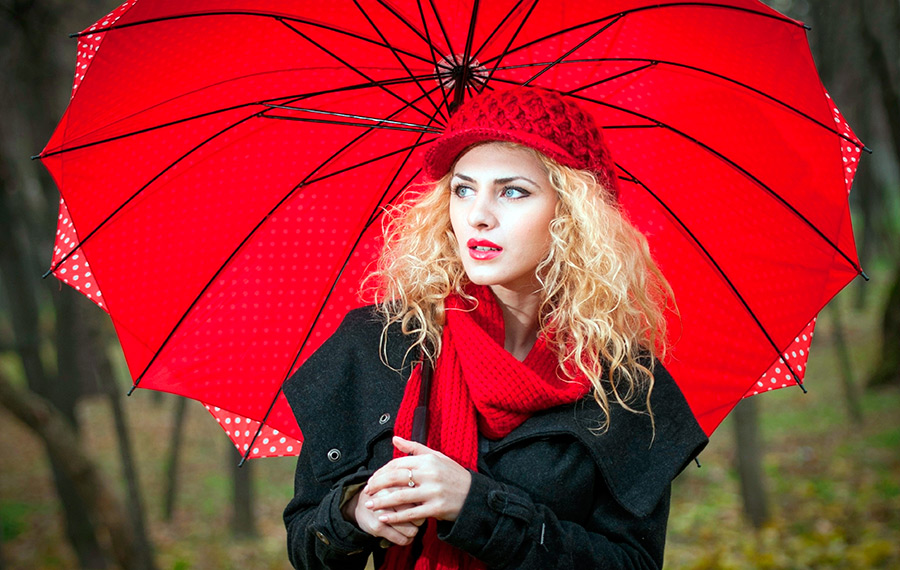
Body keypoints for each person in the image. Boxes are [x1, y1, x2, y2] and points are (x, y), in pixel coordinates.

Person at [283, 86, 708, 569]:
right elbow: (305, 545)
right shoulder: (380, 342)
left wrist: (475, 505)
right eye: (463, 189)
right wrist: (354, 515)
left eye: (512, 191)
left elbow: (633, 564)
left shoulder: (624, 383)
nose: (478, 216)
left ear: (573, 215)